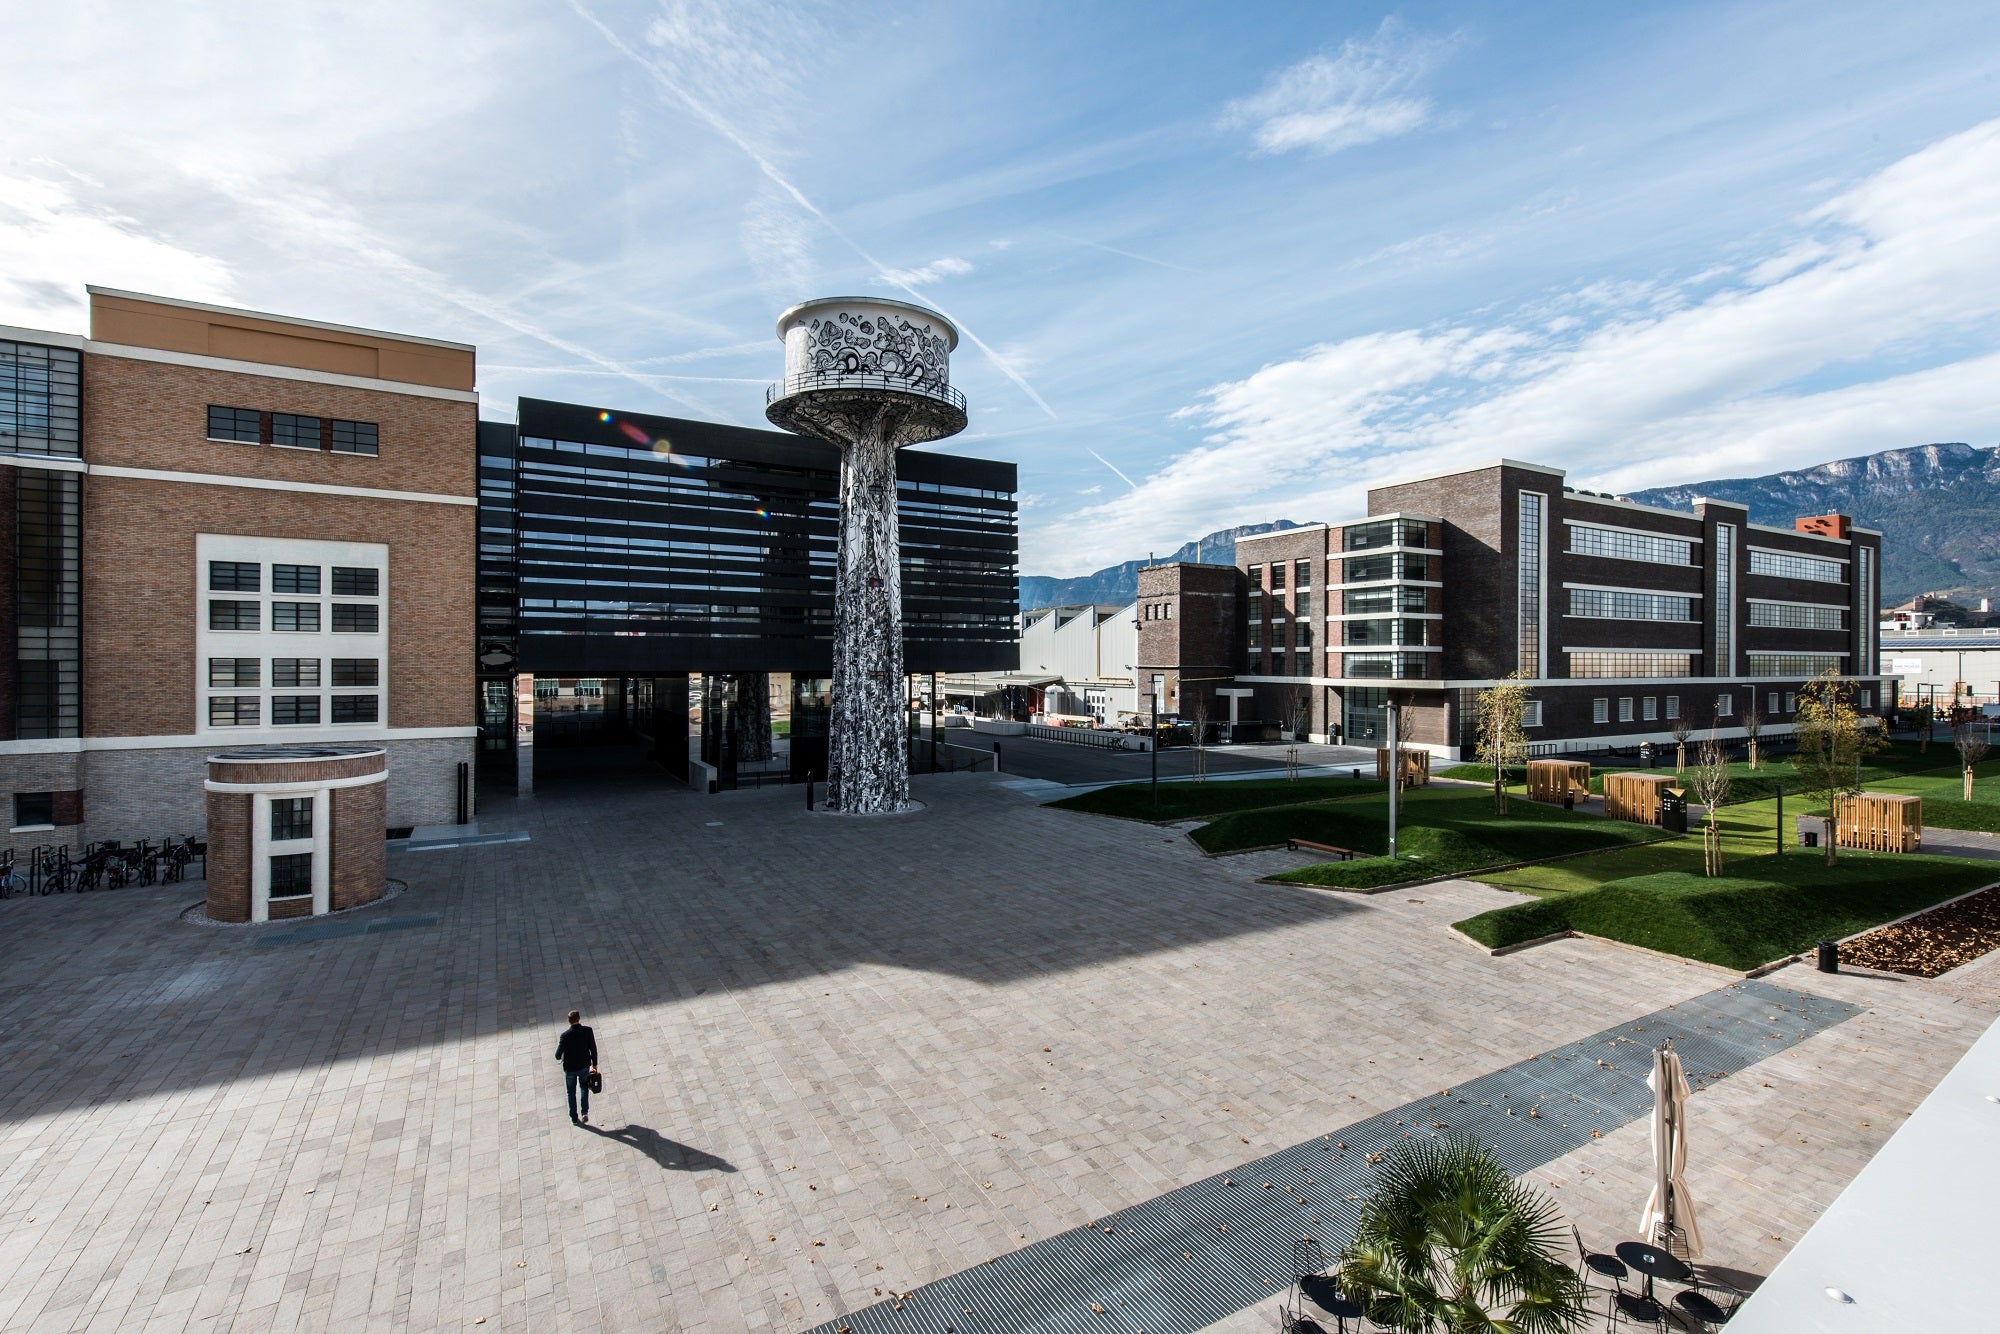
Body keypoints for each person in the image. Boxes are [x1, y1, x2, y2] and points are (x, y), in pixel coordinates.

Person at [556, 1009, 598, 1125]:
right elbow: (593, 1049)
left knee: (571, 1092)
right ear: (579, 1019)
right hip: (584, 1066)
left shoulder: (565, 1036)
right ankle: (584, 1112)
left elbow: (557, 1055)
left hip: (570, 1069)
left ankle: (574, 1118)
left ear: (569, 1021)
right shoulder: (588, 1031)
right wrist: (595, 1064)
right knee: (584, 1087)